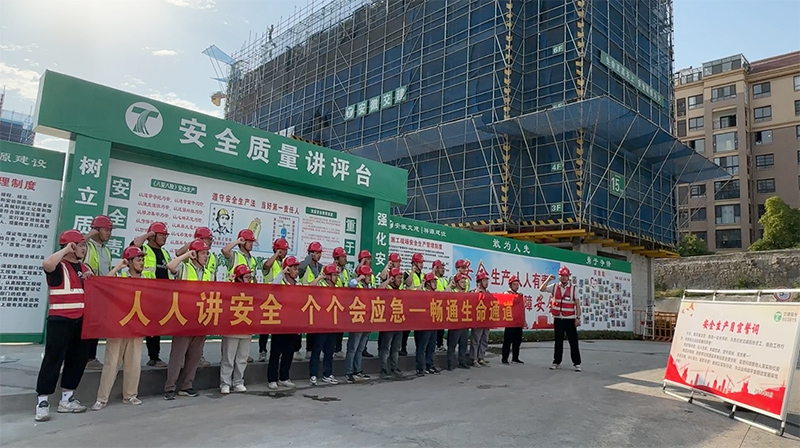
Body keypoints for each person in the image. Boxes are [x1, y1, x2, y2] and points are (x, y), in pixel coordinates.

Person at [34, 230, 94, 422]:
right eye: (81, 245)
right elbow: (47, 264)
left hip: (81, 321)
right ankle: (42, 402)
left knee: (77, 360)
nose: (84, 249)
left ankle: (67, 399)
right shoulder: (58, 266)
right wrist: (66, 249)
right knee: (53, 359)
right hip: (60, 320)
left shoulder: (84, 268)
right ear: (71, 246)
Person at [91, 247, 152, 411]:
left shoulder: (148, 279)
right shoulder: (120, 277)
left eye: (142, 259)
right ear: (129, 262)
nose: (141, 262)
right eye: (138, 259)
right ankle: (102, 399)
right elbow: (103, 283)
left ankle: (130, 395)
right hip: (118, 327)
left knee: (134, 363)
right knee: (111, 363)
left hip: (136, 327)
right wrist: (119, 266)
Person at [163, 239, 213, 400]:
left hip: (201, 319)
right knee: (177, 356)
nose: (206, 256)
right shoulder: (184, 268)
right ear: (194, 254)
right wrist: (186, 255)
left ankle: (186, 386)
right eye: (203, 253)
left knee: (194, 356)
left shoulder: (208, 273)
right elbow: (170, 266)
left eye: (207, 253)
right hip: (183, 319)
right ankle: (169, 388)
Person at [177, 226, 220, 368]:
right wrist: (193, 245)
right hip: (187, 304)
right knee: (184, 338)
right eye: (208, 239)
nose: (210, 241)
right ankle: (182, 360)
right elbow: (178, 254)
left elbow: (213, 277)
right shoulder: (190, 255)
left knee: (200, 335)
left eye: (211, 239)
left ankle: (199, 356)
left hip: (205, 301)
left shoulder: (212, 257)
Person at [131, 222, 171, 367]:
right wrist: (148, 235)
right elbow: (133, 245)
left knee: (155, 328)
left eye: (165, 235)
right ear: (152, 236)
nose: (164, 238)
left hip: (161, 296)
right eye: (161, 235)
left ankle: (154, 357)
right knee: (139, 326)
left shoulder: (165, 253)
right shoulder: (144, 249)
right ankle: (130, 358)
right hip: (145, 294)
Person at [222, 229, 261, 361]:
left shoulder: (252, 259)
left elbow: (253, 277)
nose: (251, 244)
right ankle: (228, 361)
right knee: (232, 333)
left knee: (245, 328)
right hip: (233, 298)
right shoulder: (235, 255)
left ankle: (242, 355)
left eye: (252, 241)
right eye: (249, 241)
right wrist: (237, 242)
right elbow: (225, 251)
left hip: (248, 299)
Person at [82, 215, 114, 371]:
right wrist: (90, 234)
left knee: (95, 326)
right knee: (85, 326)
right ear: (96, 230)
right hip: (86, 292)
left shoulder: (106, 250)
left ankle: (90, 358)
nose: (109, 233)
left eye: (110, 230)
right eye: (106, 230)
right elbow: (75, 245)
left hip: (101, 293)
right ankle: (82, 357)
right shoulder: (87, 246)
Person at [267, 256, 302, 389]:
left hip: (293, 323)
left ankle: (284, 377)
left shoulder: (298, 285)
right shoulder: (280, 283)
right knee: (276, 352)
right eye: (294, 268)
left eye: (297, 269)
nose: (296, 271)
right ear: (287, 269)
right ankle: (272, 379)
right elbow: (271, 288)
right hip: (279, 323)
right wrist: (282, 273)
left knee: (289, 352)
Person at [220, 264, 254, 394]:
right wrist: (229, 283)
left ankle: (238, 382)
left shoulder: (253, 291)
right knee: (228, 359)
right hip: (231, 330)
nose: (249, 280)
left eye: (250, 277)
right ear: (239, 278)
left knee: (242, 358)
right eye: (246, 277)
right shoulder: (230, 289)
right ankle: (225, 383)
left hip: (246, 329)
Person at [541, 266, 582, 372]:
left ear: (568, 277)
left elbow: (577, 304)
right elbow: (542, 289)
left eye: (566, 276)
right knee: (558, 342)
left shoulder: (573, 288)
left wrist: (577, 318)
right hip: (558, 318)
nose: (564, 277)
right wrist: (548, 279)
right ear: (559, 276)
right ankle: (556, 362)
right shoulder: (554, 286)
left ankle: (577, 363)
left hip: (570, 319)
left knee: (573, 342)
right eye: (562, 275)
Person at [306, 264, 340, 386]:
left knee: (329, 351)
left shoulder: (338, 288)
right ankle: (313, 375)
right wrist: (320, 277)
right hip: (320, 324)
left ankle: (327, 374)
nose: (336, 277)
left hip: (332, 324)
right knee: (316, 350)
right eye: (334, 275)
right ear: (328, 276)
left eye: (336, 275)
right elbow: (309, 288)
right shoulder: (321, 285)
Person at [344, 265, 374, 383]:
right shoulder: (357, 285)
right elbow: (349, 285)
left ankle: (358, 370)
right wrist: (359, 278)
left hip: (367, 321)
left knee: (360, 349)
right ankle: (349, 372)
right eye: (368, 275)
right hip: (357, 320)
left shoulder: (369, 286)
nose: (370, 277)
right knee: (353, 348)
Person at [298, 242, 324, 360]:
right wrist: (309, 257)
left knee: (313, 326)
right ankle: (296, 350)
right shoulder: (303, 266)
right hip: (303, 299)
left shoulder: (320, 267)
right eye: (316, 253)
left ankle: (309, 349)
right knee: (299, 327)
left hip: (316, 301)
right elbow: (300, 269)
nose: (318, 255)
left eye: (319, 253)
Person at [378, 267, 405, 379]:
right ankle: (383, 369)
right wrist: (388, 280)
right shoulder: (387, 287)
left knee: (396, 348)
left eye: (401, 278)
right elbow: (378, 290)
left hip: (398, 322)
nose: (400, 280)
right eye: (398, 278)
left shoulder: (401, 289)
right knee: (385, 348)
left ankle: (394, 367)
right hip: (388, 324)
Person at [414, 273, 441, 377]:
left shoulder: (436, 294)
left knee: (431, 346)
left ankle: (430, 365)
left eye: (435, 282)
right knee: (422, 347)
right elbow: (415, 295)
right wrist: (422, 284)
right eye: (433, 282)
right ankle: (420, 368)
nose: (435, 284)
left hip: (433, 323)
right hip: (423, 325)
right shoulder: (423, 292)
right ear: (428, 283)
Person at [401, 252, 425, 356]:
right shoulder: (407, 273)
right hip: (409, 303)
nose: (422, 265)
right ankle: (403, 347)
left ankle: (418, 348)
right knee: (406, 328)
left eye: (422, 263)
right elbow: (408, 283)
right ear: (414, 263)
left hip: (420, 304)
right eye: (420, 262)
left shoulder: (423, 275)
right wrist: (412, 271)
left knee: (419, 328)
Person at [447, 273, 470, 371]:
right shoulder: (452, 292)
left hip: (464, 322)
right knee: (452, 344)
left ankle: (462, 361)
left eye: (465, 282)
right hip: (455, 322)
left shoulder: (467, 294)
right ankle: (450, 363)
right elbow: (444, 296)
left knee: (463, 344)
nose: (464, 284)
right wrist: (450, 286)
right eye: (462, 282)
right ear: (456, 283)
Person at [331, 246, 350, 359]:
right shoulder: (331, 269)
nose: (345, 259)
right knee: (333, 328)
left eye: (345, 256)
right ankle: (332, 349)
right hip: (333, 302)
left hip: (343, 302)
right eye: (343, 257)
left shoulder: (345, 271)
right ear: (336, 258)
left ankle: (338, 349)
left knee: (340, 328)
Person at [357, 250, 376, 358]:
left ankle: (364, 348)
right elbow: (352, 281)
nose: (370, 261)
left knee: (366, 333)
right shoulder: (359, 273)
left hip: (369, 306)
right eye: (367, 259)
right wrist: (362, 262)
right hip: (359, 309)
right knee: (355, 345)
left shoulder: (371, 274)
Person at [502, 276, 524, 364]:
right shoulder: (506, 293)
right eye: (514, 284)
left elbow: (522, 309)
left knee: (517, 341)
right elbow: (507, 302)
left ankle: (515, 358)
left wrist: (524, 321)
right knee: (507, 341)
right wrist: (517, 297)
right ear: (510, 285)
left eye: (517, 284)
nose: (516, 286)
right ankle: (504, 358)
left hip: (518, 322)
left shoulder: (519, 295)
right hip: (510, 322)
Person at [470, 271, 491, 367]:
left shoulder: (488, 293)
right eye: (484, 280)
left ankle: (481, 357)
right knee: (476, 340)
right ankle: (474, 359)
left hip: (486, 320)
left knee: (484, 339)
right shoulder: (474, 292)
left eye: (487, 280)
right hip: (478, 320)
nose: (486, 283)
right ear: (479, 282)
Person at [432, 260, 448, 353]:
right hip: (435, 305)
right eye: (441, 268)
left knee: (441, 328)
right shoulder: (433, 278)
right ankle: (433, 345)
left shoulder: (444, 280)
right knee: (434, 328)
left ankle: (440, 344)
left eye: (443, 268)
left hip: (443, 306)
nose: (443, 270)